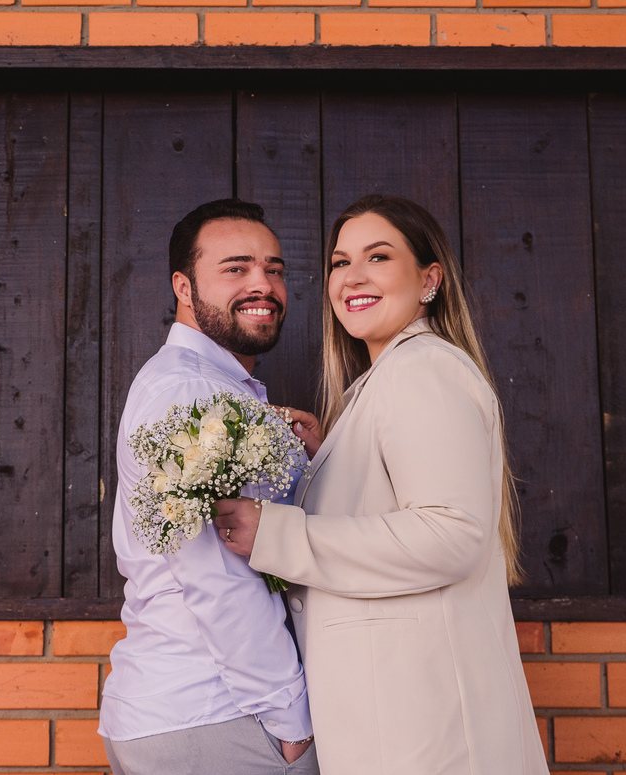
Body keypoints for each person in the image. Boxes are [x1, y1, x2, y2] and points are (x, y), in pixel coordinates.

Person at [214, 195, 550, 774]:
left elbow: (451, 534)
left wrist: (275, 534)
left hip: (425, 730)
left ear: (429, 280)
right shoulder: (386, 380)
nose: (353, 277)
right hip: (402, 719)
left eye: (378, 256)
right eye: (340, 262)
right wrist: (333, 459)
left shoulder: (423, 371)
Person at [98, 198, 318, 775]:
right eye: (235, 268)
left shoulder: (215, 386)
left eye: (274, 269)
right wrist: (290, 721)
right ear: (183, 287)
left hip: (195, 714)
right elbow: (214, 570)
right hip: (218, 713)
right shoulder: (191, 392)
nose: (262, 284)